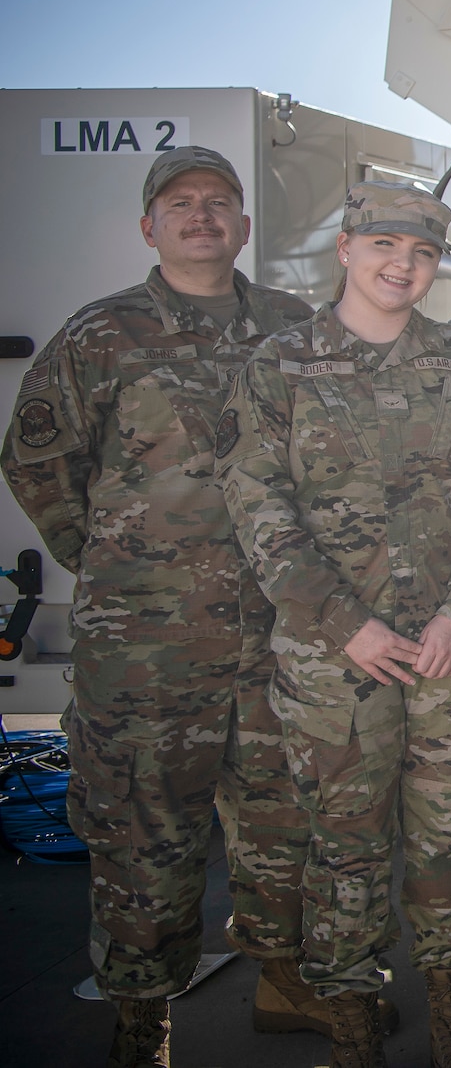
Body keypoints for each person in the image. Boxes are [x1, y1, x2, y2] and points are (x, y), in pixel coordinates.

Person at [1, 147, 323, 1067]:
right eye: (179, 203)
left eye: (219, 202)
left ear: (244, 227)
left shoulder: (296, 328)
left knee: (282, 817)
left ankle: (283, 977)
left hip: (275, 636)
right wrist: (107, 560)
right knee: (145, 830)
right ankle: (144, 1020)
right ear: (150, 225)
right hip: (144, 646)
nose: (201, 215)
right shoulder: (101, 335)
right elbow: (37, 461)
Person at [218, 180, 451, 1068]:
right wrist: (341, 621)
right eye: (386, 245)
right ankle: (354, 1028)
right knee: (343, 846)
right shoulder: (278, 365)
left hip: (445, 654)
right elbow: (257, 505)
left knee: (445, 837)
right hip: (331, 662)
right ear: (346, 248)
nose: (404, 265)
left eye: (423, 252)